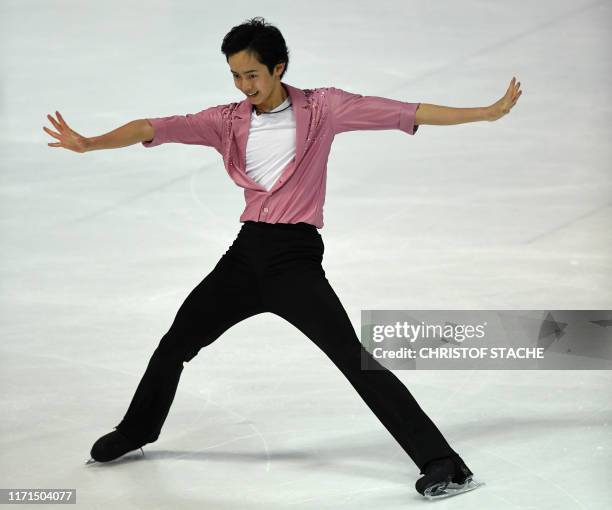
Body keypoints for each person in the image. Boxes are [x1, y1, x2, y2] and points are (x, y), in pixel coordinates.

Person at [43, 16, 521, 500]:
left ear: (279, 68)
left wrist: (484, 112)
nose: (243, 85)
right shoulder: (227, 120)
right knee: (176, 342)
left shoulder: (324, 108)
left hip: (295, 259)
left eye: (251, 74)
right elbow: (156, 127)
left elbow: (405, 111)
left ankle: (444, 464)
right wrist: (90, 142)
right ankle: (136, 431)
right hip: (245, 255)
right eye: (234, 75)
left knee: (352, 359)